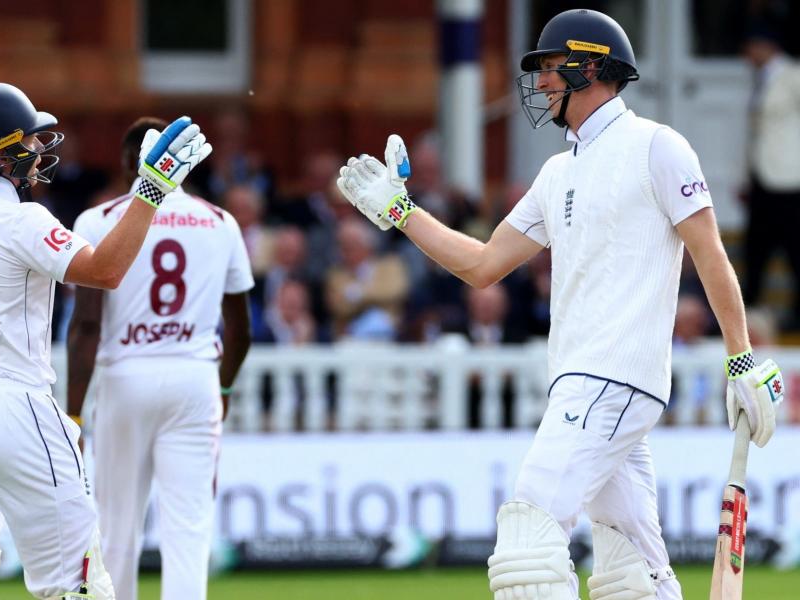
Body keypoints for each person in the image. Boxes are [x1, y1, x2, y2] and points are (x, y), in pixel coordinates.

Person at [336, 9, 785, 600]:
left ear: (590, 67)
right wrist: (401, 211)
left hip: (612, 377)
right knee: (634, 574)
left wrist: (742, 358)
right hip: (584, 383)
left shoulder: (657, 146)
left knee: (529, 542)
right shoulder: (555, 172)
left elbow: (710, 254)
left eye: (550, 68)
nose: (541, 81)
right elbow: (481, 265)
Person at [0, 83, 211, 599]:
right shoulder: (19, 218)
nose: (37, 153)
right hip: (17, 408)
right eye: (28, 143)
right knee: (77, 588)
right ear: (0, 154)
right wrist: (151, 191)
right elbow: (106, 270)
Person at [67, 116, 253, 600]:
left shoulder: (97, 220)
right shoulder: (220, 222)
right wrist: (225, 386)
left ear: (131, 162)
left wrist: (72, 410)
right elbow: (241, 328)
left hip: (124, 376)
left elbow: (85, 325)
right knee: (189, 528)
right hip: (195, 378)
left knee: (114, 527)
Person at [740, 23, 800, 330]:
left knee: (794, 247)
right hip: (763, 179)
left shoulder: (792, 75)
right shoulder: (761, 80)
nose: (747, 54)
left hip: (791, 180)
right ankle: (749, 316)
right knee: (755, 250)